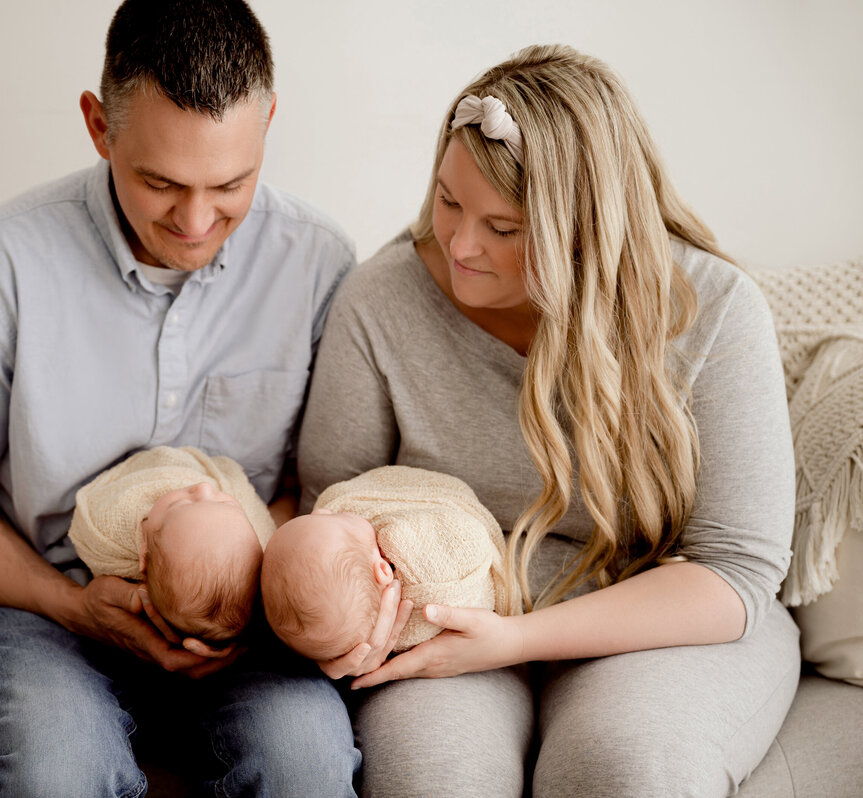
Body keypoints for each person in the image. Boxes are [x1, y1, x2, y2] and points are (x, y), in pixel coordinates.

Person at [0, 1, 370, 795]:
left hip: (242, 630)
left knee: (304, 769)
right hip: (36, 614)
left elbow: (307, 490)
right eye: (160, 183)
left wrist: (232, 591)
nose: (196, 219)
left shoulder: (317, 263)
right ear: (98, 127)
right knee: (53, 774)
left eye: (231, 183)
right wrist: (75, 606)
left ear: (269, 122)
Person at [297, 44, 801, 797]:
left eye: (504, 228)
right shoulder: (381, 301)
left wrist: (517, 639)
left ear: (588, 231)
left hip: (659, 622)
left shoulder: (716, 311)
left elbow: (736, 571)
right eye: (448, 201)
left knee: (625, 768)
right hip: (450, 621)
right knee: (434, 777)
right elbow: (332, 507)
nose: (462, 246)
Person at [262, 464, 511, 666]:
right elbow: (468, 538)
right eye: (338, 519)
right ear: (382, 569)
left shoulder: (348, 611)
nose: (322, 511)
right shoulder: (419, 572)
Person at [68, 445, 277, 650]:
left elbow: (85, 525)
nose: (204, 487)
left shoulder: (111, 529)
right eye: (227, 505)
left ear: (144, 555)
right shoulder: (261, 536)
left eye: (178, 505)